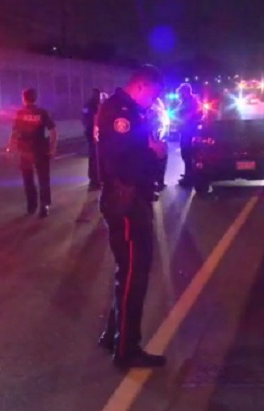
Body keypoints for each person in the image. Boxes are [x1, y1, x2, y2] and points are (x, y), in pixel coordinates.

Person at [95, 65, 166, 368]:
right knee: (134, 275)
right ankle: (127, 349)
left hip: (128, 199)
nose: (154, 101)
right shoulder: (120, 112)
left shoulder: (124, 109)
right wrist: (155, 153)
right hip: (126, 201)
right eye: (154, 94)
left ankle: (113, 333)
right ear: (141, 86)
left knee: (128, 271)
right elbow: (122, 162)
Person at [9, 88, 57, 218]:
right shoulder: (42, 113)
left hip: (25, 151)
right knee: (43, 179)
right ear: (36, 98)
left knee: (28, 180)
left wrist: (10, 147)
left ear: (24, 98)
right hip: (40, 150)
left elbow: (15, 132)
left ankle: (31, 207)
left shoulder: (20, 113)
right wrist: (52, 148)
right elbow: (53, 131)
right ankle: (44, 206)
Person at [174, 83, 202, 188]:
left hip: (188, 132)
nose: (180, 94)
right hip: (188, 131)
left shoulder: (189, 102)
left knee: (187, 154)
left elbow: (187, 117)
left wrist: (180, 123)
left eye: (181, 92)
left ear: (185, 92)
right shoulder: (191, 101)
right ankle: (188, 174)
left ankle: (189, 177)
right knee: (187, 155)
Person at [147, 97, 169, 191]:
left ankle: (156, 182)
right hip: (159, 141)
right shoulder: (162, 114)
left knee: (156, 162)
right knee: (160, 162)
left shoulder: (151, 113)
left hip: (155, 141)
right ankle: (159, 182)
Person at [82, 88, 102, 190]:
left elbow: (84, 118)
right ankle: (96, 179)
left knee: (93, 156)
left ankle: (94, 178)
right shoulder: (97, 105)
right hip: (95, 134)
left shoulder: (88, 105)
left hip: (90, 132)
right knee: (96, 157)